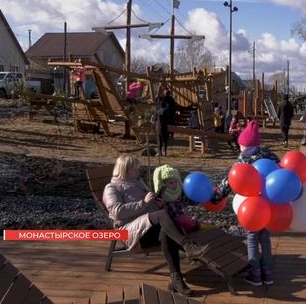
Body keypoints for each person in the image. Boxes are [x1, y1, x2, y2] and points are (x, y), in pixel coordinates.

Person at [103, 155, 209, 295]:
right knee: (163, 215)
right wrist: (144, 203)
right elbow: (117, 212)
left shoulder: (138, 182)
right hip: (130, 232)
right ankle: (188, 245)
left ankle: (176, 280)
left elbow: (149, 206)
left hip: (149, 228)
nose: (137, 171)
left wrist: (156, 203)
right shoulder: (111, 188)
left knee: (167, 231)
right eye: (135, 169)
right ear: (125, 169)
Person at [213, 120, 279, 286]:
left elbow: (230, 182)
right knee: (265, 237)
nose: (239, 147)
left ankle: (255, 273)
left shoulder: (243, 161)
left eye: (241, 144)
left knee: (251, 237)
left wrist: (216, 197)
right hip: (267, 204)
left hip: (250, 206)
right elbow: (280, 173)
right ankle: (268, 273)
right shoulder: (269, 155)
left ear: (244, 145)